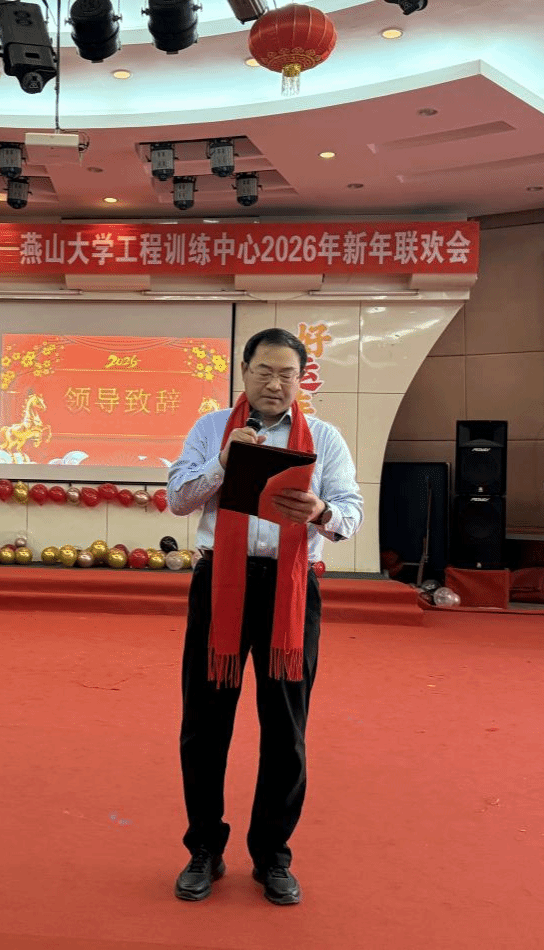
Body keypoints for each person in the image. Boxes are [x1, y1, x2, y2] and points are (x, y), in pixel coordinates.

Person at [166, 327, 364, 906]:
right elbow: (177, 498)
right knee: (205, 726)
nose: (275, 384)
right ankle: (204, 849)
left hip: (291, 590)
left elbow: (351, 512)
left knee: (285, 730)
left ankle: (273, 856)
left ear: (301, 380)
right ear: (244, 372)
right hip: (219, 586)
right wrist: (223, 463)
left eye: (286, 374)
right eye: (264, 371)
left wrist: (320, 510)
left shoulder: (324, 438)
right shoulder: (211, 428)